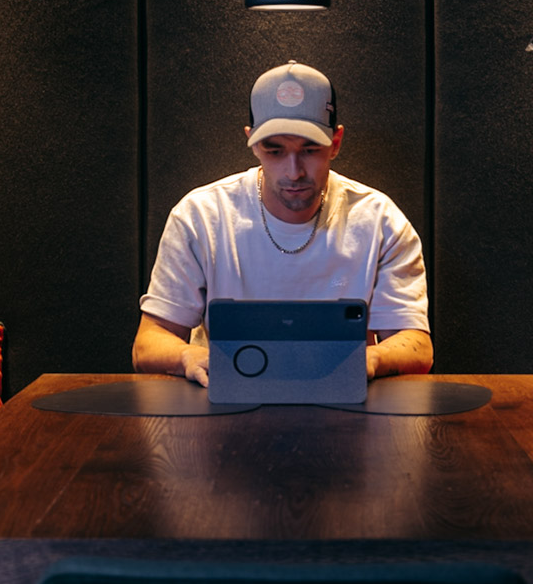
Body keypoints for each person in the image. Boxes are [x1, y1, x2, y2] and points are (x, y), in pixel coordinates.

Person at [132, 60, 433, 386]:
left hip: (343, 399)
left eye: (310, 150)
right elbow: (148, 342)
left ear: (335, 143)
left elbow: (416, 344)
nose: (294, 171)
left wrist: (370, 359)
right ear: (252, 142)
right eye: (274, 151)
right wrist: (187, 356)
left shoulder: (380, 222)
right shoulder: (200, 217)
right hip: (226, 400)